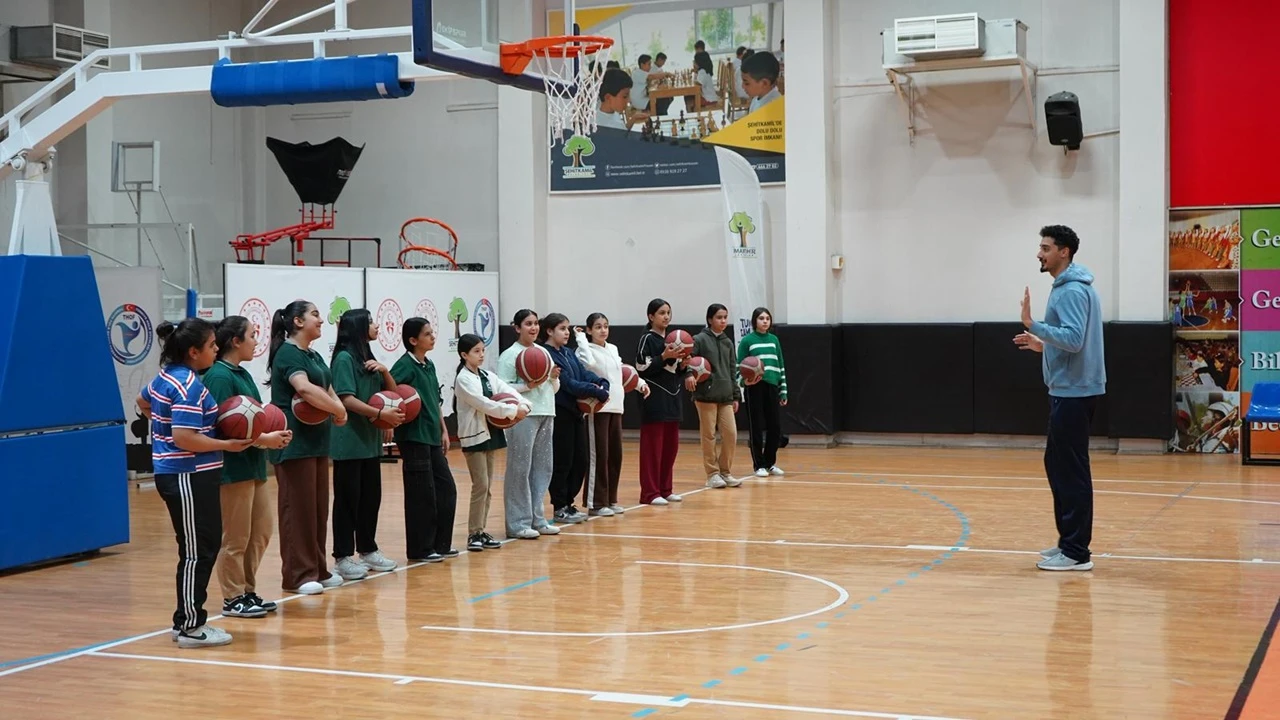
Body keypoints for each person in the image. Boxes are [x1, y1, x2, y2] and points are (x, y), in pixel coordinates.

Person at [137, 318, 254, 648]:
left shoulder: (166, 377)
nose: (216, 350)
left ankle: (186, 621)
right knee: (196, 551)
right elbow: (184, 437)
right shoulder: (188, 385)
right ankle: (189, 625)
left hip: (187, 475)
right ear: (193, 351)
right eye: (212, 345)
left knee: (204, 545)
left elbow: (143, 402)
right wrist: (226, 445)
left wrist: (161, 430)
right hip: (186, 475)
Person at [1014, 224, 1106, 572]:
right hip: (1070, 390)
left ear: (1063, 252)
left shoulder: (1070, 291)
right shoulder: (1070, 287)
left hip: (1074, 392)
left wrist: (1032, 323)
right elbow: (1069, 341)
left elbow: (1073, 339)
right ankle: (1068, 542)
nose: (1039, 254)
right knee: (1059, 466)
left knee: (1071, 472)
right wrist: (1043, 346)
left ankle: (1077, 552)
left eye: (1046, 248)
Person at [202, 316, 292, 620]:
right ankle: (233, 597)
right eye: (252, 335)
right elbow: (222, 427)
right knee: (235, 537)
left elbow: (254, 421)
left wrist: (272, 434)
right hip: (231, 469)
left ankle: (248, 590)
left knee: (260, 533)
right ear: (235, 341)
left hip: (253, 465)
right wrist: (265, 438)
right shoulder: (218, 376)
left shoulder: (242, 373)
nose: (257, 341)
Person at [266, 300, 349, 595]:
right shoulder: (288, 353)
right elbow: (304, 388)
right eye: (315, 314)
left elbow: (326, 387)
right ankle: (297, 575)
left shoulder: (313, 354)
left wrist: (338, 407)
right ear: (298, 322)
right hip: (293, 442)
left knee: (316, 510)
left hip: (316, 440)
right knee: (297, 509)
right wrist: (337, 410)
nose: (321, 320)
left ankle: (318, 568)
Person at [329, 308, 404, 580]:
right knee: (347, 501)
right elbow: (346, 399)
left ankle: (368, 549)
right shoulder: (344, 359)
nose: (376, 326)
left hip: (370, 442)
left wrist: (385, 370)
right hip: (349, 441)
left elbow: (392, 393)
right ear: (359, 326)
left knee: (371, 499)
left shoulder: (368, 358)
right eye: (371, 322)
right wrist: (380, 415)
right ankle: (342, 557)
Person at [390, 317, 459, 563]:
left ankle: (441, 544)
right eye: (427, 334)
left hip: (432, 435)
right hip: (413, 437)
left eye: (432, 332)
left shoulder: (428, 365)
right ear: (413, 340)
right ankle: (420, 549)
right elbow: (388, 391)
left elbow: (435, 401)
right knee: (421, 494)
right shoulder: (404, 366)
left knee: (446, 489)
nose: (433, 337)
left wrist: (443, 430)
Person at [454, 332, 529, 551]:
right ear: (464, 355)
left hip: (491, 433)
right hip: (474, 436)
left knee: (487, 488)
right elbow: (484, 404)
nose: (481, 355)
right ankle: (473, 533)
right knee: (481, 485)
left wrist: (524, 404)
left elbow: (508, 390)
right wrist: (512, 411)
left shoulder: (487, 375)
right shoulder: (463, 379)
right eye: (476, 351)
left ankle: (481, 530)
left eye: (483, 350)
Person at [575, 313, 649, 516]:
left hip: (616, 407)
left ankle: (610, 499)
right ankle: (596, 503)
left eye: (606, 326)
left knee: (615, 456)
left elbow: (622, 372)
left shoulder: (613, 348)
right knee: (598, 456)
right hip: (597, 408)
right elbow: (589, 364)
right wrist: (581, 339)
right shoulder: (584, 349)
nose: (603, 330)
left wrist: (640, 384)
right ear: (589, 330)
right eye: (598, 327)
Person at [497, 309, 562, 539]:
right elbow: (503, 388)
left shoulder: (543, 352)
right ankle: (517, 523)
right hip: (522, 415)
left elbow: (554, 388)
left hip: (547, 412)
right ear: (517, 328)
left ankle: (537, 518)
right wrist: (527, 386)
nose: (533, 328)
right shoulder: (509, 355)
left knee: (543, 468)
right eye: (528, 324)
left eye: (535, 323)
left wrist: (553, 378)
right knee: (520, 468)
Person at [542, 312, 610, 524]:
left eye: (567, 328)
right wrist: (595, 390)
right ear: (549, 331)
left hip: (576, 413)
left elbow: (583, 373)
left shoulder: (568, 352)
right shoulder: (547, 355)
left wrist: (602, 382)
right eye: (562, 329)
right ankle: (559, 506)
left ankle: (569, 503)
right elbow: (569, 384)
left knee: (580, 460)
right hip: (560, 412)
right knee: (563, 460)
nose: (567, 333)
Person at [635, 298, 691, 505]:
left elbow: (674, 372)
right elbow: (641, 367)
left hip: (673, 399)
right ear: (651, 316)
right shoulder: (647, 339)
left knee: (670, 448)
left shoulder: (674, 340)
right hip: (654, 400)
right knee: (652, 450)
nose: (666, 316)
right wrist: (663, 356)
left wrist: (683, 366)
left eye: (668, 312)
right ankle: (650, 493)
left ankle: (666, 489)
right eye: (661, 313)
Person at [690, 304, 742, 489]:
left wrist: (735, 395)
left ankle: (725, 472)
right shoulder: (699, 339)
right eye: (719, 317)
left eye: (725, 317)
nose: (723, 321)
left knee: (731, 434)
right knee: (709, 435)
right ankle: (712, 474)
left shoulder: (728, 343)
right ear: (710, 319)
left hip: (726, 396)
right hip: (706, 395)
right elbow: (688, 361)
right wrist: (689, 375)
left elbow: (732, 370)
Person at [737, 306, 788, 477]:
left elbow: (781, 365)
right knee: (756, 426)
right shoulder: (747, 341)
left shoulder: (774, 340)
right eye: (761, 318)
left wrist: (783, 391)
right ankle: (759, 465)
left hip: (772, 386)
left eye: (767, 318)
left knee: (775, 427)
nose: (765, 321)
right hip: (754, 387)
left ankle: (770, 462)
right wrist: (743, 381)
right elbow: (739, 366)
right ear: (754, 321)